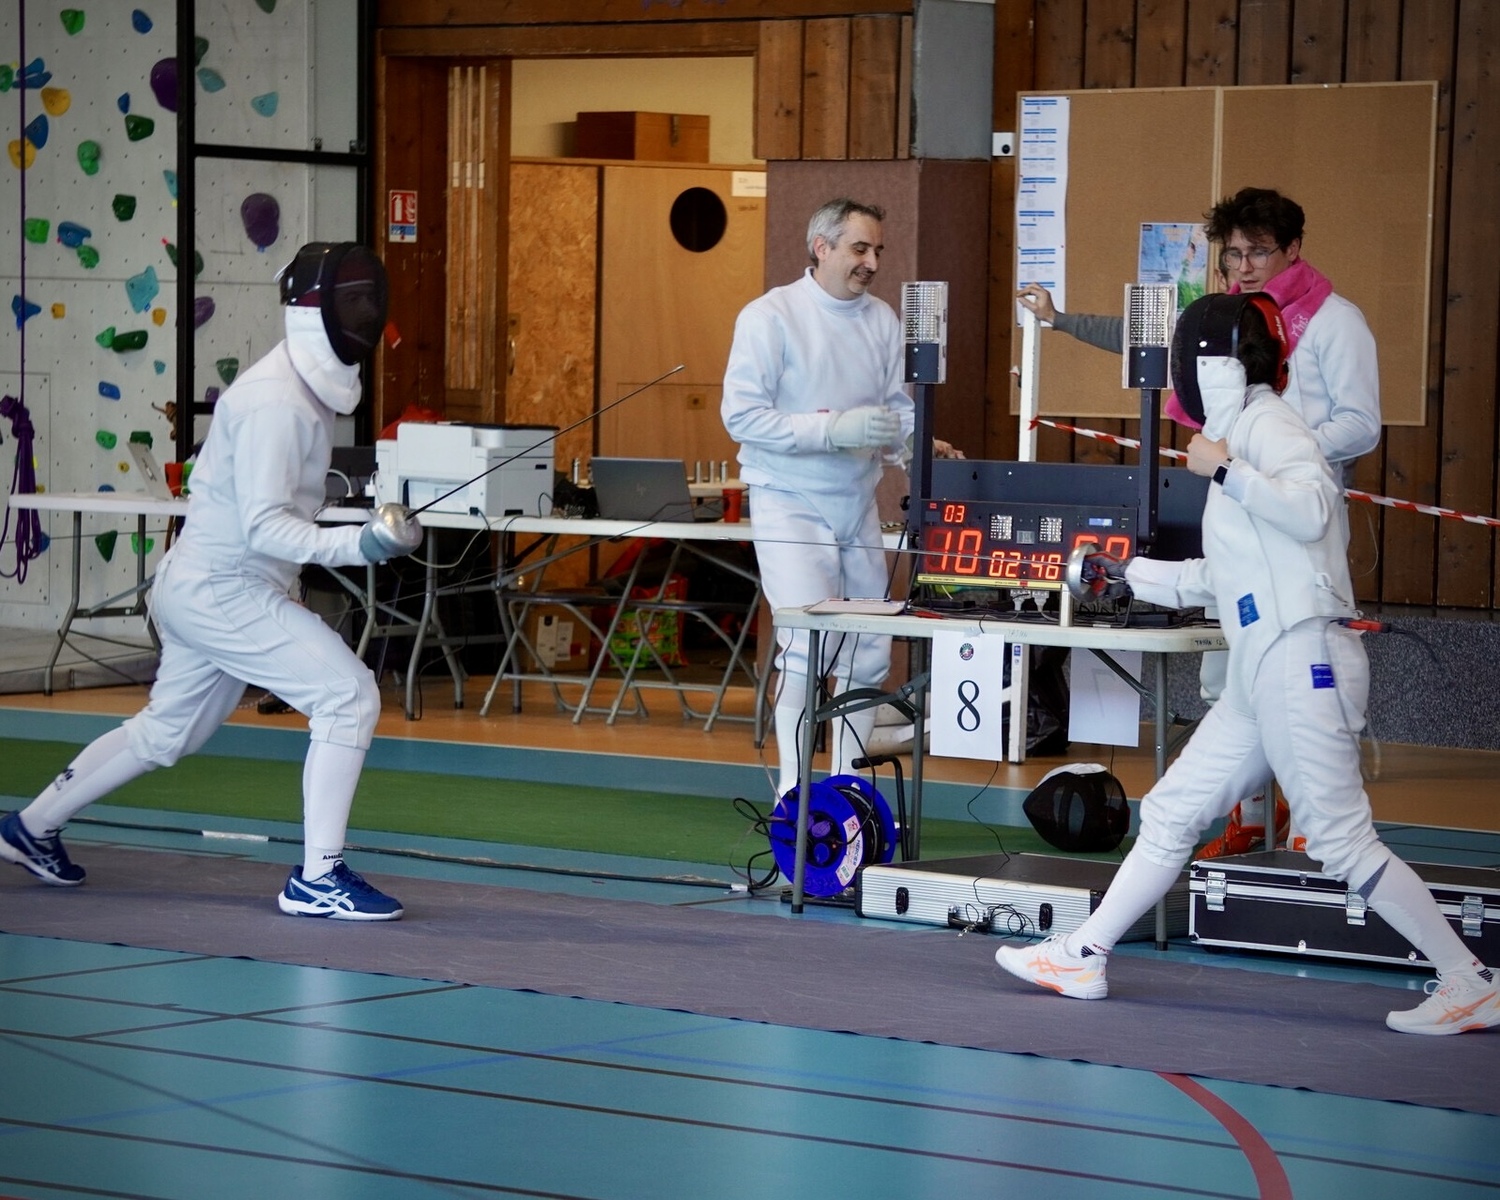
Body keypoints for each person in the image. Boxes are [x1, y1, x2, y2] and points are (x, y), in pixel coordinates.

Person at [995, 293, 1499, 1036]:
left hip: (1302, 660)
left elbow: (1313, 507)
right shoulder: (1241, 433)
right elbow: (1223, 576)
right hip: (1262, 671)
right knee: (1172, 812)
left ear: (1209, 366)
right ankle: (1084, 954)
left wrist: (1227, 470)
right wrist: (1126, 575)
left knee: (1339, 839)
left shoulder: (1268, 426)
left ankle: (1469, 980)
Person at [0, 242, 422, 920]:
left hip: (208, 585)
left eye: (370, 298)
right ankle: (318, 878)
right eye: (353, 300)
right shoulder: (275, 401)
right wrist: (361, 543)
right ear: (315, 308)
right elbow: (264, 527)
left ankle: (31, 827)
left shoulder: (300, 390)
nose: (367, 312)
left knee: (165, 734)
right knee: (348, 696)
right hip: (224, 588)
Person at [1017, 187, 1382, 855]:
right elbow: (1151, 341)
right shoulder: (1225, 320)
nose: (1243, 267)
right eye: (1232, 255)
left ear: (1293, 249)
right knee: (1228, 674)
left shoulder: (1336, 321)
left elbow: (1361, 425)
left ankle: (1315, 827)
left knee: (1305, 685)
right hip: (1233, 508)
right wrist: (1061, 320)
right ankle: (1251, 819)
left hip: (1300, 522)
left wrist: (1271, 452)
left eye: (1258, 253)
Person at [721, 198, 915, 798]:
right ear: (821, 247)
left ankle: (848, 791)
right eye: (859, 248)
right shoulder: (770, 316)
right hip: (789, 499)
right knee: (808, 647)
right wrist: (831, 429)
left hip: (857, 502)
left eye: (877, 250)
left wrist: (914, 444)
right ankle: (794, 796)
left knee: (869, 650)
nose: (871, 262)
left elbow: (896, 411)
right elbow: (742, 417)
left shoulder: (882, 319)